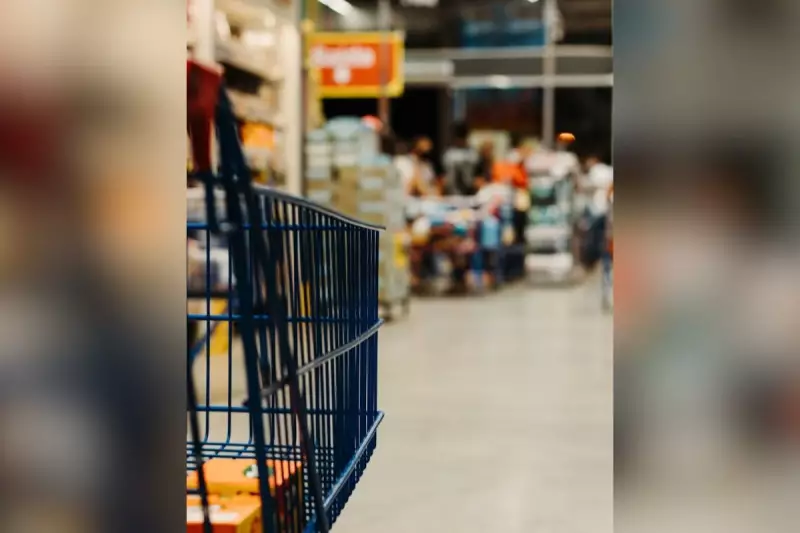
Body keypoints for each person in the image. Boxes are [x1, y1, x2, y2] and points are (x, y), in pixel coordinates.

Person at [442, 123, 480, 195]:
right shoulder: (448, 154)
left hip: (471, 194)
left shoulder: (473, 154)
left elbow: (479, 175)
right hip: (452, 194)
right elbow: (443, 177)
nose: (459, 141)